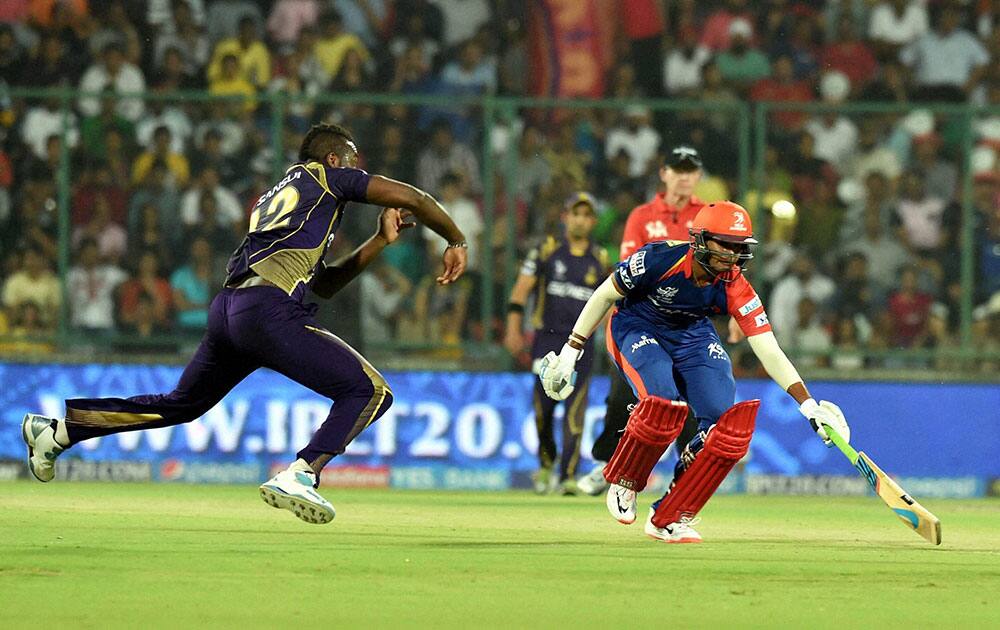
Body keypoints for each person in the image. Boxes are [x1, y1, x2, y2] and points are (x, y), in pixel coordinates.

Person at [21, 123, 468, 525]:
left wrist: (376, 241)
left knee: (182, 403)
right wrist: (455, 238)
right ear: (334, 159)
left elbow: (326, 285)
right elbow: (415, 198)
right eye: (352, 162)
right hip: (268, 310)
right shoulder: (326, 178)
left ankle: (60, 431)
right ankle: (302, 472)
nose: (358, 172)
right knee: (369, 391)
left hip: (231, 308)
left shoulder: (280, 198)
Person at [539, 201, 850, 543]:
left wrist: (809, 406)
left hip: (692, 335)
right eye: (724, 244)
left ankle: (670, 516)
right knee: (661, 402)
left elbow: (769, 349)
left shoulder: (735, 284)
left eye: (738, 247)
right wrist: (571, 350)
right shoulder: (659, 258)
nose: (732, 255)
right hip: (635, 326)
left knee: (722, 429)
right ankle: (626, 478)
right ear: (700, 240)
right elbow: (603, 295)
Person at [579, 146, 733, 496]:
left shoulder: (708, 216)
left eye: (690, 170)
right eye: (677, 169)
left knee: (689, 401)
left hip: (687, 324)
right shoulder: (642, 215)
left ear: (698, 177)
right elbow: (629, 269)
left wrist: (733, 315)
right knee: (621, 398)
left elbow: (724, 270)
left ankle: (685, 476)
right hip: (641, 320)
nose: (683, 176)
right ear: (663, 173)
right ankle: (606, 465)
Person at [504, 193, 607, 495]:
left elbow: (611, 303)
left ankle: (568, 476)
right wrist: (513, 330)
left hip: (582, 346)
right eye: (575, 213)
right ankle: (546, 464)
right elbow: (520, 292)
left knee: (576, 412)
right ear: (565, 217)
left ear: (593, 222)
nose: (580, 220)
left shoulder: (600, 259)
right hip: (547, 341)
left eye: (586, 215)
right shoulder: (546, 251)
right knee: (544, 411)